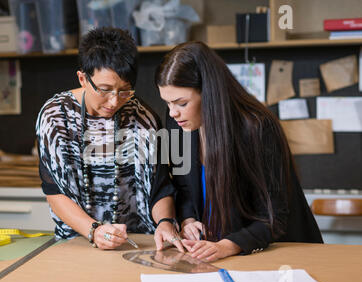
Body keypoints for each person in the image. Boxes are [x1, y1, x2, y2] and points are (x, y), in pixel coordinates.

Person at [155, 41, 323, 261]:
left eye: (181, 103)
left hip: (278, 255)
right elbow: (183, 187)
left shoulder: (257, 127)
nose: (173, 112)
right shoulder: (177, 122)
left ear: (209, 93)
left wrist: (229, 246)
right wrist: (187, 220)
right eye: (167, 103)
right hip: (217, 253)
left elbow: (274, 218)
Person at [36, 27, 183, 251]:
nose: (114, 101)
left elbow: (160, 187)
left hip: (135, 243)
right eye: (104, 90)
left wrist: (165, 223)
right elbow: (55, 192)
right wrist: (94, 230)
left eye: (124, 91)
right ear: (83, 78)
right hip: (77, 242)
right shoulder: (56, 118)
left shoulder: (143, 119)